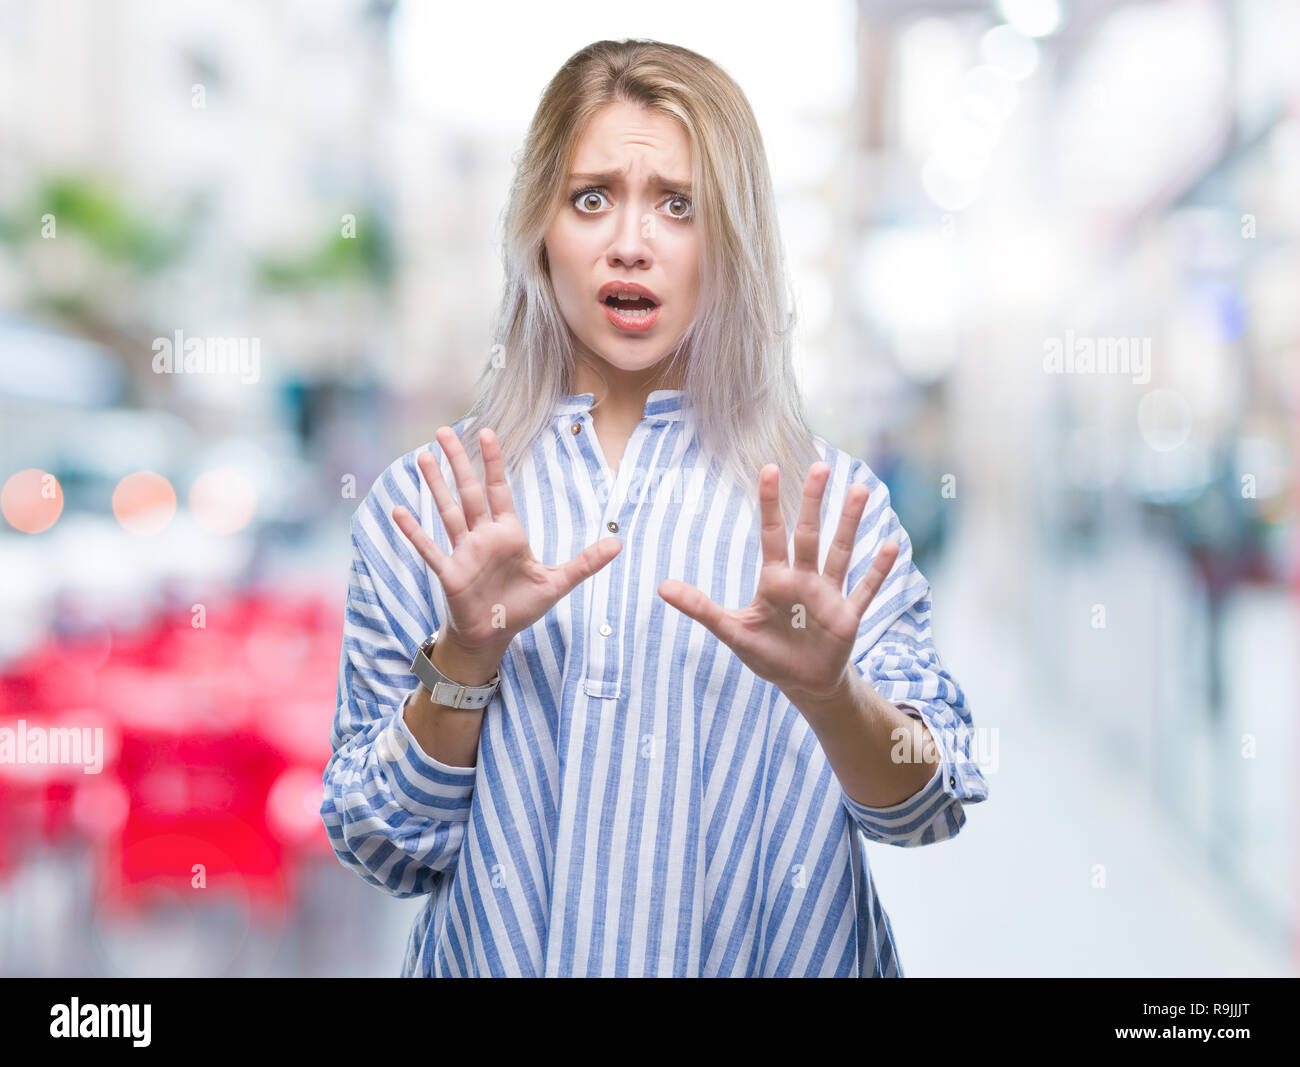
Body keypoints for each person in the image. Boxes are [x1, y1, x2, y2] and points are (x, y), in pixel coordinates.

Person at [320, 38, 988, 977]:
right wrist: (465, 660)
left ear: (735, 238)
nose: (629, 241)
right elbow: (381, 845)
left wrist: (834, 698)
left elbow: (932, 802)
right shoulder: (430, 507)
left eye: (679, 205)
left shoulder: (829, 507)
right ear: (538, 229)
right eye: (590, 197)